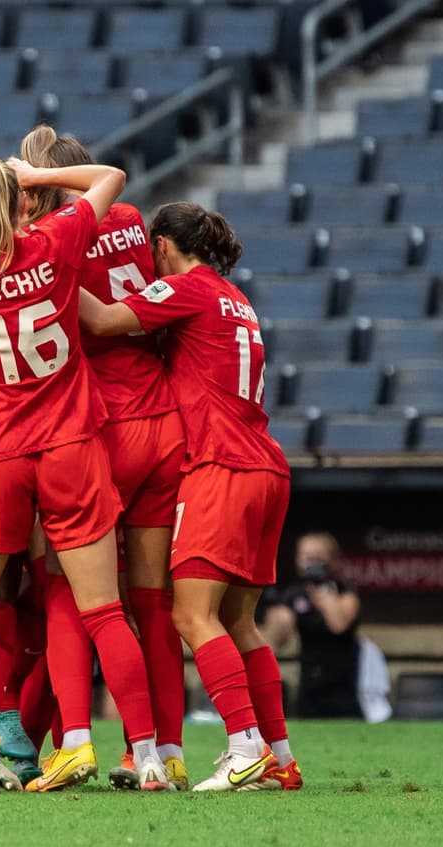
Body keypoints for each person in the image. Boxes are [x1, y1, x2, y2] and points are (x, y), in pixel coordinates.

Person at [0, 156, 170, 795]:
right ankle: (148, 756)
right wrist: (38, 179)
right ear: (19, 201)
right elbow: (115, 178)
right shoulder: (57, 239)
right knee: (103, 610)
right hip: (69, 444)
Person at [79, 201, 300, 792]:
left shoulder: (189, 289)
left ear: (164, 248)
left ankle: (243, 745)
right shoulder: (237, 298)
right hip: (267, 464)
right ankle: (279, 756)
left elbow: (101, 321)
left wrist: (48, 274)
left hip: (220, 464)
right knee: (239, 621)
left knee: (190, 614)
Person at [18, 125, 189, 791]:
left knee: (72, 589)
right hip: (163, 423)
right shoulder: (127, 218)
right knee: (152, 601)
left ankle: (77, 740)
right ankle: (163, 750)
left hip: (101, 430)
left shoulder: (56, 238)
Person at [263, 532, 363, 718]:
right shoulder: (294, 594)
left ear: (332, 560)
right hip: (309, 687)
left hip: (344, 689)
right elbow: (278, 641)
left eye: (317, 556)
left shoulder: (345, 591)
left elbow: (339, 625)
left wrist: (323, 588)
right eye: (306, 556)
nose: (311, 562)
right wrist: (273, 605)